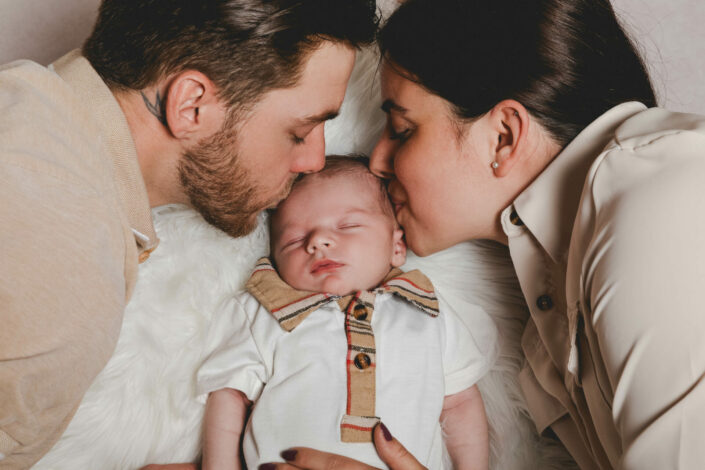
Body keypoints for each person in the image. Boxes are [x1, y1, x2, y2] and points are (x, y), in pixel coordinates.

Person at [257, 0, 705, 469]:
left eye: (402, 129)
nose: (377, 161)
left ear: (504, 136)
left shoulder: (659, 200)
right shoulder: (545, 320)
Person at [0, 1, 378, 467]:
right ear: (192, 105)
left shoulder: (22, 102)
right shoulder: (66, 266)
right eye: (299, 132)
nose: (314, 162)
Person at [192, 156, 496, 470]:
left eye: (348, 226)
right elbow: (228, 396)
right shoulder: (266, 313)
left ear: (396, 246)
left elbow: (460, 402)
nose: (318, 241)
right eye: (294, 240)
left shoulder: (428, 311)